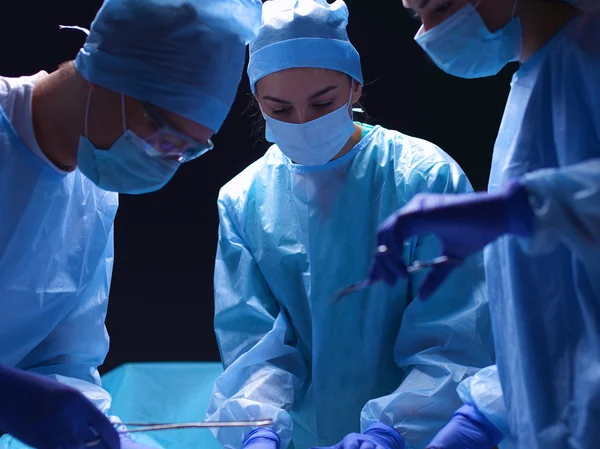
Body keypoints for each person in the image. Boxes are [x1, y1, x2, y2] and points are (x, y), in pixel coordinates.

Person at [205, 1, 495, 449]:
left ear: (354, 87)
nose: (304, 124)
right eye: (279, 110)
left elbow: (455, 338)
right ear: (257, 103)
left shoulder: (423, 178)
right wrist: (258, 425)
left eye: (323, 102)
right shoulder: (245, 200)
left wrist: (392, 430)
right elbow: (253, 343)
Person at [0, 0, 261, 448]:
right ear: (110, 78)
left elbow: (63, 360)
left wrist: (105, 437)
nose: (168, 162)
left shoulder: (93, 196)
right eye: (165, 139)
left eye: (185, 152)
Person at [367, 0, 600, 448]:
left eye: (440, 6)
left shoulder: (586, 60)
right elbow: (552, 321)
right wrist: (488, 410)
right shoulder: (532, 85)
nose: (428, 33)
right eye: (418, 15)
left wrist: (518, 209)